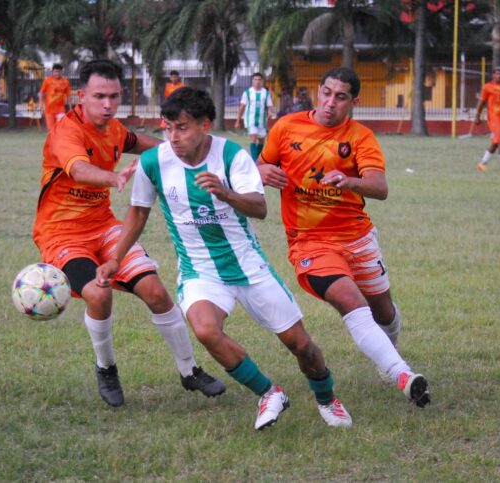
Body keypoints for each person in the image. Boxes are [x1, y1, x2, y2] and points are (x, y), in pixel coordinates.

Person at [97, 87, 353, 430]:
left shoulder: (232, 155)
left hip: (249, 267)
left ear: (205, 125)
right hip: (199, 270)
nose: (173, 137)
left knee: (301, 345)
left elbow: (259, 208)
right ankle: (269, 393)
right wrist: (116, 258)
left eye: (182, 128)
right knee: (205, 329)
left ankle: (327, 398)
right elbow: (138, 213)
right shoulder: (153, 162)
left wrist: (225, 192)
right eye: (168, 128)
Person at [32, 59, 225, 408]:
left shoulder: (115, 130)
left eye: (114, 96)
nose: (108, 104)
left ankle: (189, 370)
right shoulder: (66, 132)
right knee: (99, 294)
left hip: (104, 227)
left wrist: (195, 147)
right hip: (62, 234)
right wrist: (114, 177)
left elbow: (151, 145)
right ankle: (106, 368)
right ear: (81, 96)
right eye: (99, 96)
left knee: (156, 291)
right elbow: (79, 169)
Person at [258, 67, 431, 409]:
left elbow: (379, 187)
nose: (330, 102)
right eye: (326, 93)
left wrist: (350, 181)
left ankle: (388, 354)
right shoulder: (286, 127)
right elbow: (256, 168)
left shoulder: (360, 137)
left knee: (384, 311)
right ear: (318, 91)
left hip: (357, 237)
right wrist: (259, 170)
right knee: (352, 301)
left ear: (354, 101)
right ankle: (402, 375)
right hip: (309, 242)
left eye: (340, 97)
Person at [235, 73, 274, 161]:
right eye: (255, 79)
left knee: (261, 140)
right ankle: (254, 160)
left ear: (262, 81)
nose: (257, 82)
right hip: (251, 120)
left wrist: (270, 113)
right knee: (253, 137)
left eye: (259, 80)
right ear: (252, 81)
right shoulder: (247, 93)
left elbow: (269, 106)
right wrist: (238, 120)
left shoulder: (266, 93)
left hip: (262, 121)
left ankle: (257, 158)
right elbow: (242, 107)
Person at [38, 63, 72, 131]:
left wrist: (70, 108)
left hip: (60, 110)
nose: (57, 73)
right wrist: (40, 103)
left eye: (59, 71)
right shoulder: (47, 80)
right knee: (51, 130)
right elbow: (41, 93)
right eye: (56, 71)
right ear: (52, 72)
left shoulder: (65, 82)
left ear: (61, 72)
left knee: (61, 128)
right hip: (49, 110)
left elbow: (68, 95)